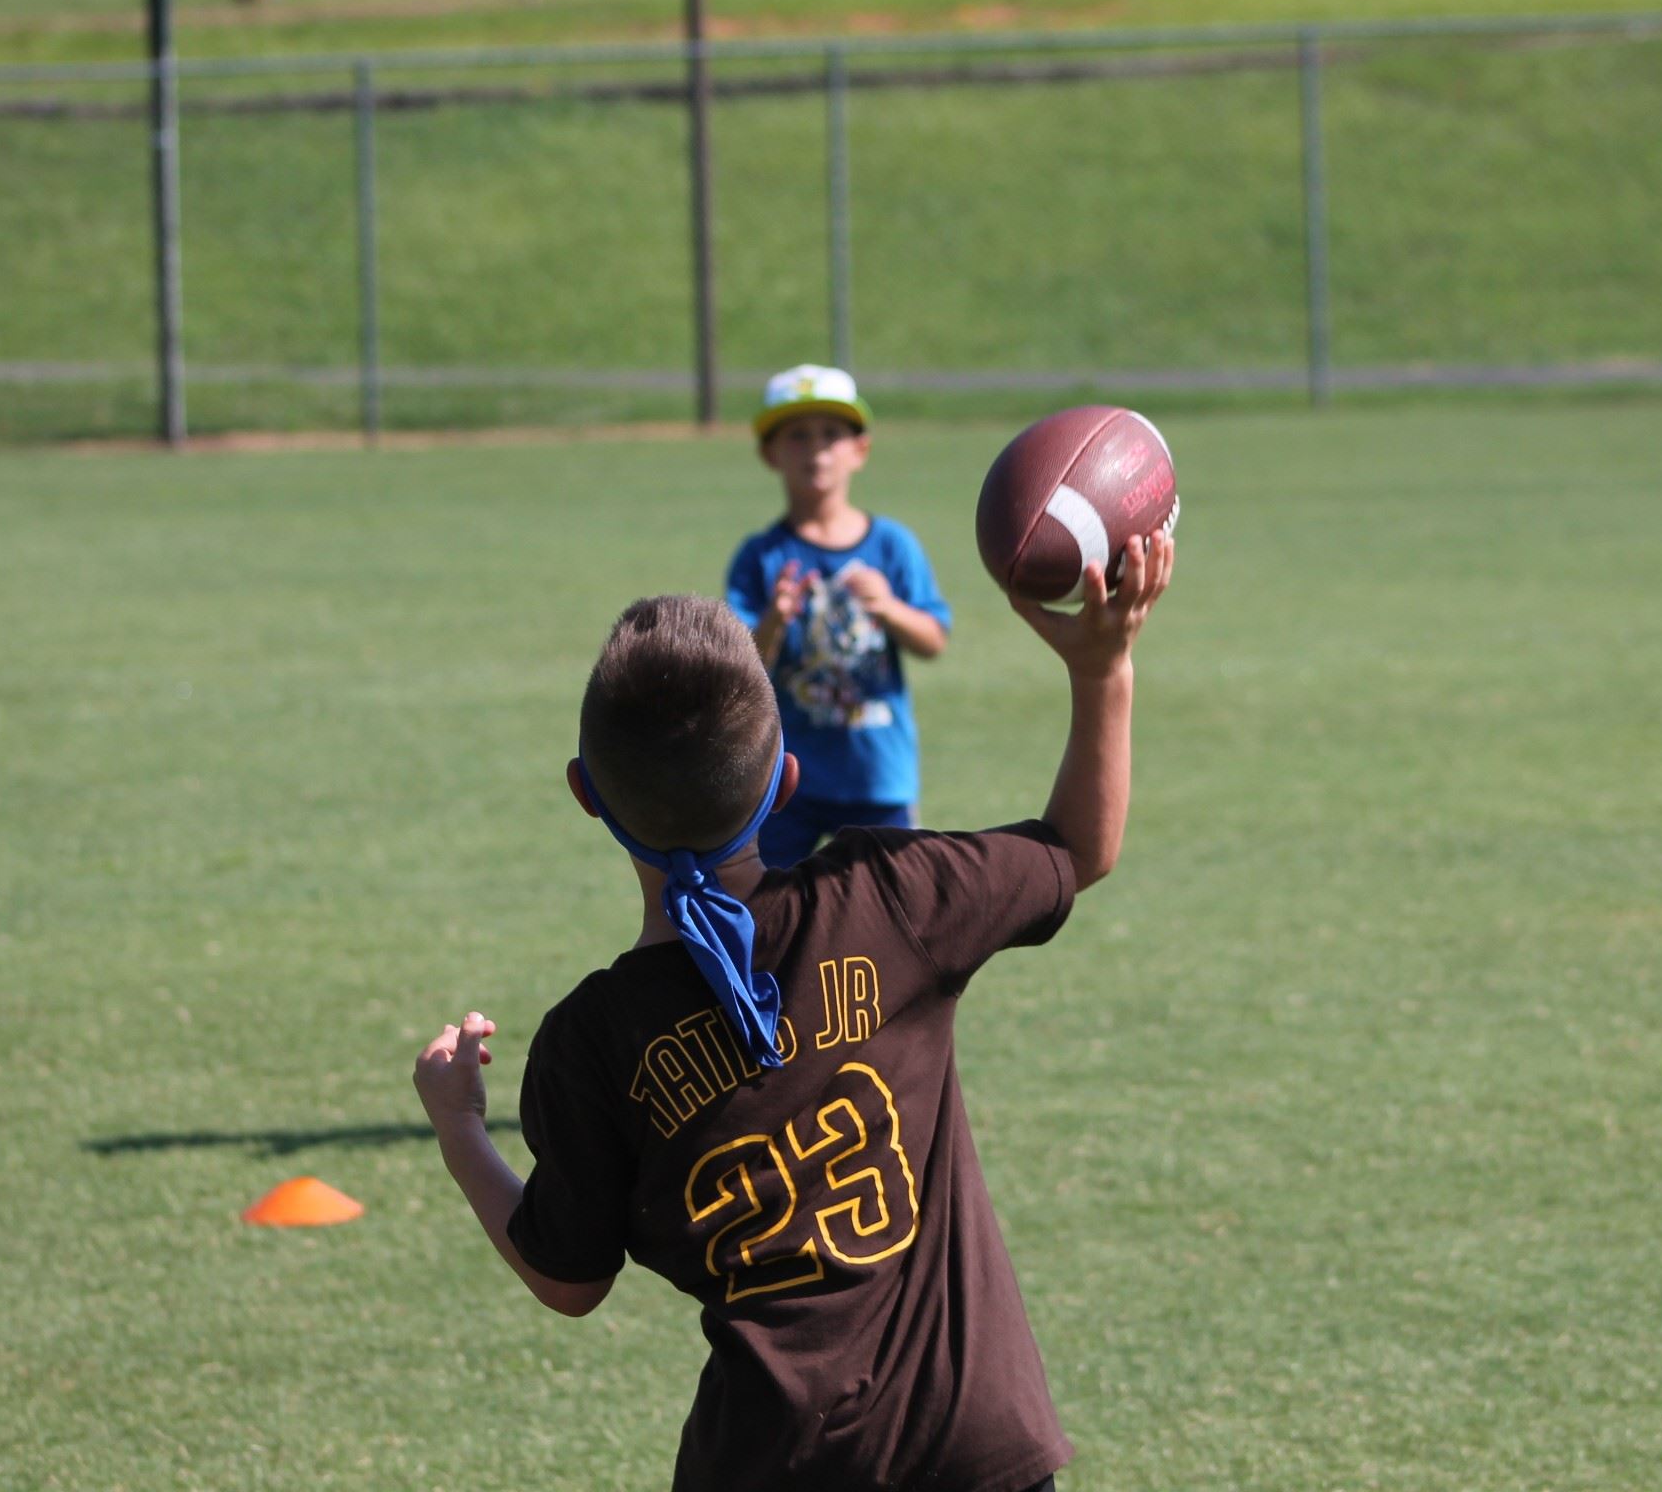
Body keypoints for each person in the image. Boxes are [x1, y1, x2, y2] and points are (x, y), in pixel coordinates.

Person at [413, 527, 1174, 1492]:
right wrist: (1105, 665)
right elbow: (1078, 848)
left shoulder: (591, 1041)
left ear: (585, 796)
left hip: (770, 1463)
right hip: (972, 1449)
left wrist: (459, 1129)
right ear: (784, 781)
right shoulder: (887, 898)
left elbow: (568, 1279)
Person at [724, 364, 952, 868]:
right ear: (770, 453)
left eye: (832, 434)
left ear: (860, 450)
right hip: (785, 780)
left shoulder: (891, 546)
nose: (817, 449)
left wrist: (889, 607)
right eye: (798, 436)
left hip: (878, 776)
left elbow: (933, 638)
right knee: (764, 909)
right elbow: (740, 666)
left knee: (896, 911)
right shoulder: (760, 556)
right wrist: (774, 621)